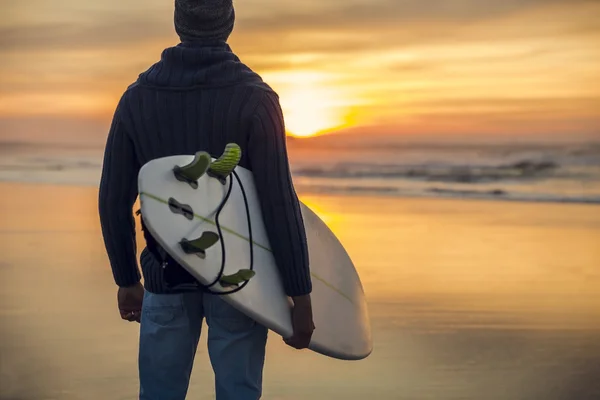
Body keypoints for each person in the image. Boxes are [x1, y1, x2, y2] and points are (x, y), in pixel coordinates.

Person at [97, 1, 314, 398]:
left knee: (159, 393)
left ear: (178, 22)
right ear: (229, 22)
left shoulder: (137, 98)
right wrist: (300, 292)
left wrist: (126, 279)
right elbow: (277, 201)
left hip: (165, 275)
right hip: (241, 283)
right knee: (238, 392)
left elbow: (113, 197)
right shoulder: (256, 98)